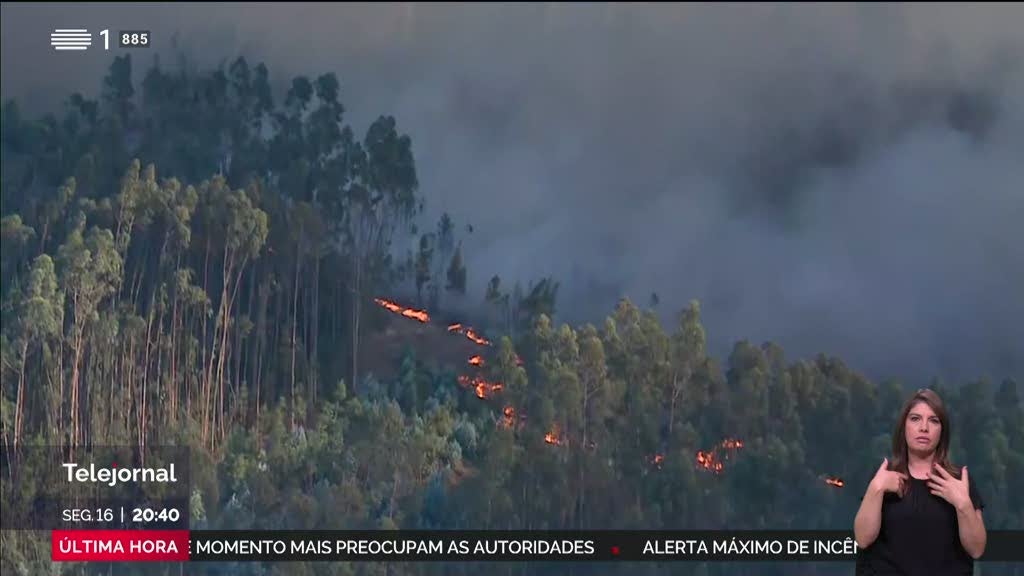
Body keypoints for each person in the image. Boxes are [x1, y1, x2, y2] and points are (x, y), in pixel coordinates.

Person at [854, 388, 986, 575]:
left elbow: (977, 549)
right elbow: (863, 538)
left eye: (933, 420)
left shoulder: (959, 481)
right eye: (915, 419)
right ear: (904, 427)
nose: (924, 427)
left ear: (942, 431)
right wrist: (876, 488)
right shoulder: (882, 476)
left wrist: (963, 504)